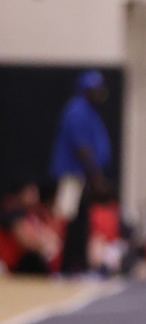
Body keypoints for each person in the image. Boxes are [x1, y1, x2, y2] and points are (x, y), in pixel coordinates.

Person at [49, 70, 114, 275]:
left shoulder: (88, 111)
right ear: (86, 90)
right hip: (72, 175)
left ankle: (77, 266)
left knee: (80, 221)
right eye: (96, 89)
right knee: (68, 221)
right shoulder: (77, 110)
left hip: (81, 176)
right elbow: (81, 147)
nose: (100, 92)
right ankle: (64, 267)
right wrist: (96, 175)